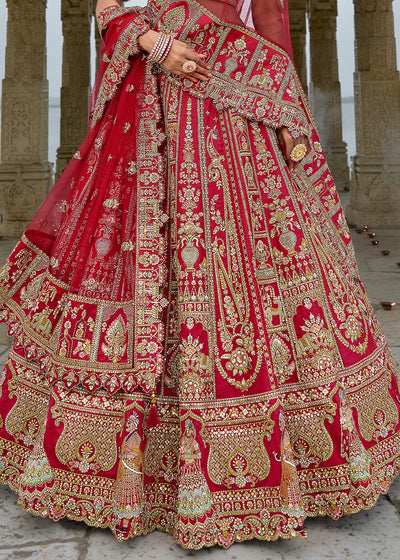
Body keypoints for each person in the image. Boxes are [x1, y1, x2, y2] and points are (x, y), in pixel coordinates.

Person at [0, 0, 399, 550]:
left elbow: (271, 21)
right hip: (156, 95)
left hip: (231, 92)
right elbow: (106, 6)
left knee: (257, 261)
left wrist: (286, 114)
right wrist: (149, 41)